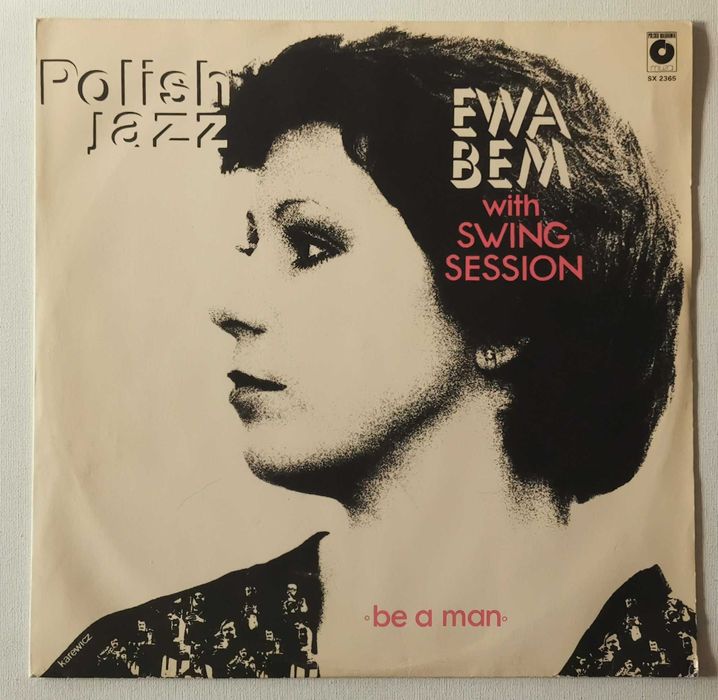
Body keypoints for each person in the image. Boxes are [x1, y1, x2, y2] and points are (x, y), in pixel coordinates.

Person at [43, 27, 696, 678]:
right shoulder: (135, 662)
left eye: (310, 246)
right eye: (251, 245)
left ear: (504, 315)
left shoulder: (671, 666)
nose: (229, 307)